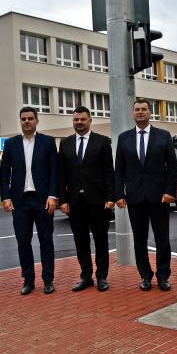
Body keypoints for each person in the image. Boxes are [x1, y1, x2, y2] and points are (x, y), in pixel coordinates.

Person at [114, 98, 177, 291]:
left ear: (150, 113)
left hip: (159, 196)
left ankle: (163, 276)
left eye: (144, 109)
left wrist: (170, 192)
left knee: (162, 238)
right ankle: (145, 275)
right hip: (135, 197)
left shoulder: (163, 136)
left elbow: (173, 168)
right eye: (137, 109)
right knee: (139, 239)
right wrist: (119, 194)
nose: (140, 112)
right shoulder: (124, 138)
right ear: (132, 113)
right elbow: (119, 169)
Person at [1, 107, 59, 295]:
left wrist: (53, 195)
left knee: (46, 241)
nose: (27, 121)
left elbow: (54, 172)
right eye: (23, 119)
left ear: (36, 120)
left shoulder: (48, 142)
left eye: (30, 118)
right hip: (20, 201)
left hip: (42, 200)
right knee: (23, 242)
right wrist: (6, 196)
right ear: (20, 121)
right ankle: (28, 279)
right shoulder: (11, 144)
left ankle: (48, 280)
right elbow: (4, 173)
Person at [58, 106, 115, 292]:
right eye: (76, 120)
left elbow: (109, 172)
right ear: (73, 122)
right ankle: (86, 276)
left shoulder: (102, 141)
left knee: (101, 241)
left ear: (90, 120)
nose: (79, 122)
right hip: (75, 203)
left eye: (83, 119)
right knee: (80, 240)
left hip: (98, 201)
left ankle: (102, 277)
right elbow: (62, 175)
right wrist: (63, 200)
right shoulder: (65, 144)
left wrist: (110, 197)